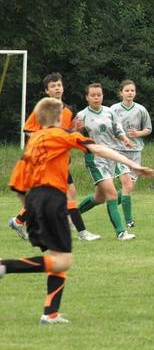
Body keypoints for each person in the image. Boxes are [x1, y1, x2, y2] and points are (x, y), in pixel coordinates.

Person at [0, 97, 154, 325]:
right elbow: (97, 148)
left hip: (34, 202)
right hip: (52, 200)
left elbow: (17, 184)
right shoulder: (62, 135)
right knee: (62, 261)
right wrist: (132, 164)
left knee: (57, 256)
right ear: (59, 117)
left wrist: (31, 209)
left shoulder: (32, 143)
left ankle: (50, 313)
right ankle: (6, 265)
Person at [8, 72, 101, 242]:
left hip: (61, 160)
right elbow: (28, 130)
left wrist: (78, 129)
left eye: (59, 85)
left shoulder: (69, 110)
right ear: (46, 91)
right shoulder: (42, 109)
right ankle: (81, 231)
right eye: (53, 86)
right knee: (67, 194)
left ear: (63, 87)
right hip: (45, 160)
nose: (57, 88)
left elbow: (71, 134)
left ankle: (19, 220)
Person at [76, 83, 137, 240]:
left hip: (112, 156)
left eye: (99, 95)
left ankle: (71, 215)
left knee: (99, 198)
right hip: (95, 159)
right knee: (112, 194)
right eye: (93, 95)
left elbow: (117, 130)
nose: (96, 98)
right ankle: (121, 232)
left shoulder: (109, 112)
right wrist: (78, 130)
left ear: (102, 96)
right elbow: (74, 138)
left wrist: (125, 139)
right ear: (87, 97)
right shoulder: (81, 116)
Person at [110, 79, 152, 229]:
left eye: (132, 90)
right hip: (119, 152)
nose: (130, 93)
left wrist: (138, 133)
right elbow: (108, 127)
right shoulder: (113, 109)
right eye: (127, 90)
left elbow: (148, 129)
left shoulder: (141, 110)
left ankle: (110, 203)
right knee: (127, 185)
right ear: (121, 92)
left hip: (135, 153)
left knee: (128, 189)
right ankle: (129, 221)